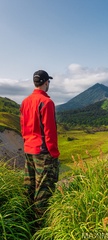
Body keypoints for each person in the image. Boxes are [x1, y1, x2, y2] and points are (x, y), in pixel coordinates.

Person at [20, 70, 60, 225]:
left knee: (29, 186)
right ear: (45, 82)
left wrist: (27, 143)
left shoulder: (25, 102)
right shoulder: (47, 103)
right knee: (43, 189)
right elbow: (50, 131)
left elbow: (23, 127)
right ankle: (40, 227)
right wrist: (54, 153)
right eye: (48, 81)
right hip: (43, 152)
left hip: (28, 148)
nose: (48, 84)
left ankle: (25, 220)